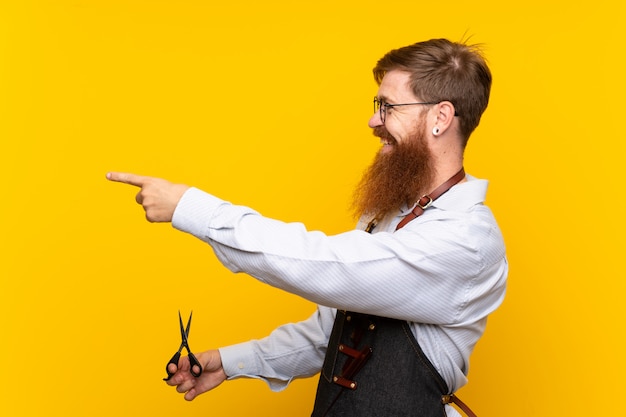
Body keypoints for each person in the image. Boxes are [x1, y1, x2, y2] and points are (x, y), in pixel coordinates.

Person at [107, 38, 507, 417]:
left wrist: (192, 208)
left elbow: (329, 267)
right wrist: (231, 363)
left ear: (440, 117)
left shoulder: (466, 239)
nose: (373, 120)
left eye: (388, 106)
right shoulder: (389, 217)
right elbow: (331, 335)